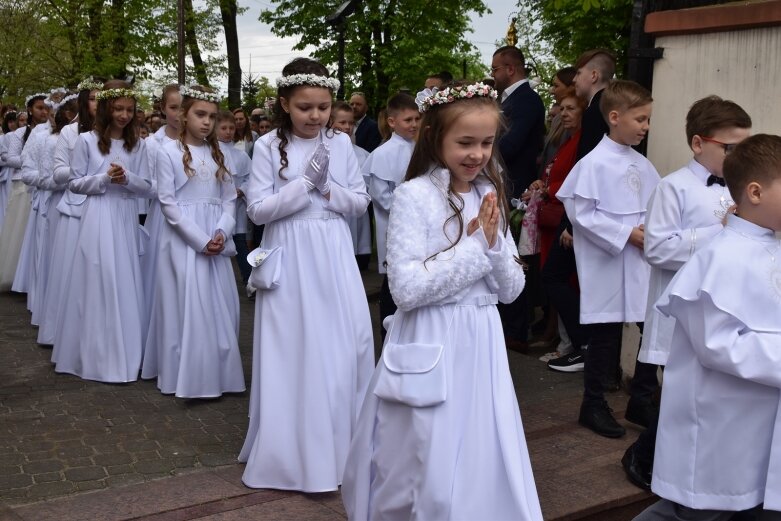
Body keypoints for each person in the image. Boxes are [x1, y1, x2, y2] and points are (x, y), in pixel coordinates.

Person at [342, 81, 542, 520]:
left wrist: (492, 247)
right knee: (427, 454)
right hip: (434, 336)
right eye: (465, 142)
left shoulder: (490, 194)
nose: (477, 154)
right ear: (435, 137)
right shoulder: (415, 196)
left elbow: (510, 289)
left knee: (484, 445)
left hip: (482, 341)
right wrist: (475, 248)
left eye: (487, 143)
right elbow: (406, 290)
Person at [239, 57, 374, 492]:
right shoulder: (265, 147)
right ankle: (290, 450)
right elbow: (257, 209)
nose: (315, 116)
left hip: (332, 252)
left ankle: (343, 444)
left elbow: (360, 202)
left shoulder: (340, 144)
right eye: (305, 108)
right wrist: (302, 185)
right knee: (295, 346)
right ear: (285, 104)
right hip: (291, 252)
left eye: (322, 107)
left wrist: (329, 188)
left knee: (340, 343)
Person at [633, 134, 781, 521]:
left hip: (761, 416)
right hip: (721, 419)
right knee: (699, 512)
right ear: (755, 192)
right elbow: (717, 344)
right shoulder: (718, 257)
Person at [621, 96, 752, 491]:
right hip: (680, 306)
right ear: (699, 143)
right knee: (677, 390)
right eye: (730, 148)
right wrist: (723, 232)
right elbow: (658, 248)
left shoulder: (741, 187)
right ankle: (642, 455)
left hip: (724, 304)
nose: (737, 156)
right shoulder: (672, 187)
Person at [556, 79, 660, 438]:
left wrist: (649, 227)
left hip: (640, 260)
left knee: (654, 327)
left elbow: (655, 206)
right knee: (606, 332)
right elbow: (582, 214)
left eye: (647, 120)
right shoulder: (593, 164)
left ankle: (642, 397)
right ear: (615, 117)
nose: (646, 127)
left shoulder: (643, 165)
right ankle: (593, 403)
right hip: (608, 259)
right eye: (641, 119)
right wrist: (626, 234)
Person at [143, 86, 244, 398]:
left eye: (212, 117)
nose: (207, 122)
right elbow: (168, 203)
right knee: (185, 304)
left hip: (215, 236)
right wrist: (200, 240)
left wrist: (222, 231)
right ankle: (183, 375)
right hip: (183, 240)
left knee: (220, 305)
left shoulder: (221, 154)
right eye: (201, 115)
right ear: (183, 115)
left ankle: (218, 374)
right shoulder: (167, 152)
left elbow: (229, 199)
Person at [54, 80, 152, 383]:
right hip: (97, 216)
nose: (124, 115)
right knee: (100, 277)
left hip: (124, 215)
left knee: (124, 280)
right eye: (118, 108)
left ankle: (127, 354)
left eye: (129, 110)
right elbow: (75, 183)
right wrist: (104, 179)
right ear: (106, 107)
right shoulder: (86, 140)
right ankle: (95, 354)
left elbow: (148, 187)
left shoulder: (139, 145)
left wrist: (127, 180)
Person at [545, 49, 616, 373]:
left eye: (578, 73)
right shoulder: (605, 109)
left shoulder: (599, 111)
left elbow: (589, 170)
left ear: (594, 75)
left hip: (587, 215)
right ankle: (592, 351)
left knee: (555, 278)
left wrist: (573, 223)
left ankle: (586, 346)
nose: (574, 79)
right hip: (595, 213)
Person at [38, 78, 102, 348]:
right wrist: (85, 170)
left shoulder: (115, 134)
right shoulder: (71, 133)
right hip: (75, 209)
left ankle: (96, 334)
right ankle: (65, 334)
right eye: (94, 99)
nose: (99, 105)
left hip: (103, 212)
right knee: (70, 273)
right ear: (85, 103)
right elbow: (58, 172)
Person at [490, 45, 546, 353]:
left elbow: (511, 145)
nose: (493, 74)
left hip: (517, 188)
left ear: (511, 69)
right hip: (504, 184)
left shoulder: (527, 101)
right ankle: (508, 321)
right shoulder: (507, 100)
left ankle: (517, 329)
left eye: (496, 69)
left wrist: (483, 149)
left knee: (513, 259)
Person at [527, 87, 585, 361]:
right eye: (562, 109)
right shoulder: (566, 140)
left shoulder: (581, 142)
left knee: (564, 282)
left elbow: (576, 180)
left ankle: (573, 345)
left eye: (571, 108)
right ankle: (565, 343)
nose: (564, 114)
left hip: (564, 218)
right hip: (554, 218)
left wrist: (549, 190)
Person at [363, 92, 420, 338]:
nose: (414, 125)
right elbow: (382, 196)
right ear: (392, 121)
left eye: (417, 119)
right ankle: (389, 335)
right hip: (396, 226)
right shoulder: (383, 154)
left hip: (421, 225)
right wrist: (410, 212)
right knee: (393, 285)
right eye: (408, 120)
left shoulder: (422, 148)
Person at [0, 93, 49, 290]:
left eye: (46, 108)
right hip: (23, 183)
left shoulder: (53, 132)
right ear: (30, 110)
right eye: (39, 108)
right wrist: (31, 161)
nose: (44, 112)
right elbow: (10, 158)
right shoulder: (20, 134)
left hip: (41, 183)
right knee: (20, 229)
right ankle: (18, 274)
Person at [215, 109, 253, 296]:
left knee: (239, 242)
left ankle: (249, 281)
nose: (228, 131)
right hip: (215, 206)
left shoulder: (241, 155)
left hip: (236, 206)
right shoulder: (210, 151)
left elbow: (250, 178)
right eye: (223, 128)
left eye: (231, 128)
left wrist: (242, 190)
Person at [330, 100, 371, 270]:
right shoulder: (321, 150)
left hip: (355, 215)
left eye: (351, 123)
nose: (347, 127)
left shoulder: (363, 155)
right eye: (342, 122)